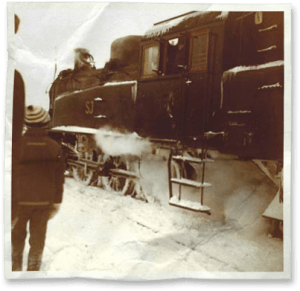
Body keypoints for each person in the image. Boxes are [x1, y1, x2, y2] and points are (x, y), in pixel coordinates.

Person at [12, 105, 65, 271]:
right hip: (43, 202)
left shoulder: (17, 145)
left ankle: (15, 264)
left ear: (27, 124)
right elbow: (59, 178)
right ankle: (33, 267)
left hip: (19, 201)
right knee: (38, 237)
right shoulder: (54, 147)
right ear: (45, 123)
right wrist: (57, 201)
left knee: (17, 233)